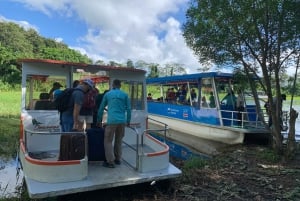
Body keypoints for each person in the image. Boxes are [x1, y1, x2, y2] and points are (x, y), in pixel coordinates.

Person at [97, 79, 131, 168]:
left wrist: (98, 120)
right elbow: (128, 109)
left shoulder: (108, 94)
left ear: (112, 85)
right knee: (119, 140)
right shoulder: (125, 95)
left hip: (111, 121)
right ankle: (118, 159)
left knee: (108, 141)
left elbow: (101, 108)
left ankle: (110, 162)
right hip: (122, 121)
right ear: (120, 85)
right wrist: (128, 121)